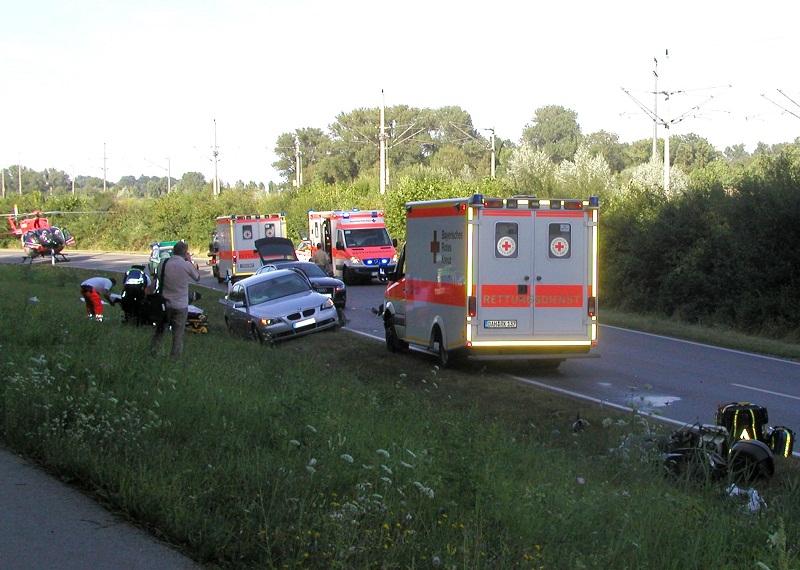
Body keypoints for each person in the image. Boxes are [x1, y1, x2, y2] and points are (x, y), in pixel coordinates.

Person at [150, 241, 200, 361]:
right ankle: (174, 358)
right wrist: (189, 261)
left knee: (160, 331)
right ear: (184, 253)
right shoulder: (186, 265)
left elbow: (157, 277)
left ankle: (153, 352)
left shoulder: (164, 263)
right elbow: (197, 277)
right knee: (177, 335)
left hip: (165, 304)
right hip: (181, 304)